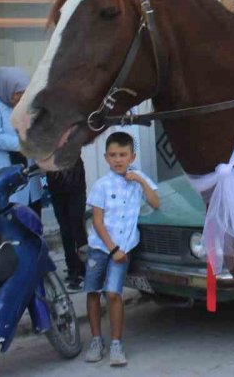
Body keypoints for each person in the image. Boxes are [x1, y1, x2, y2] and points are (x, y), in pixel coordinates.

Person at [83, 132, 159, 366]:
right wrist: (112, 248)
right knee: (93, 291)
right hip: (101, 247)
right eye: (113, 155)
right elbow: (97, 222)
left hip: (124, 248)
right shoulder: (101, 185)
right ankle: (96, 341)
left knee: (113, 293)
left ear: (132, 157)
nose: (118, 160)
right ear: (106, 158)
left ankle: (116, 344)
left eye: (123, 155)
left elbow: (155, 203)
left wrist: (141, 181)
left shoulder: (138, 180)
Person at [0, 68, 43, 217]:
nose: (21, 97)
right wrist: (26, 144)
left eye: (25, 92)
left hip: (26, 171)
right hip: (2, 172)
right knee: (6, 220)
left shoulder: (25, 104)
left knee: (32, 218)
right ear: (6, 88)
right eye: (18, 93)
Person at [46, 155, 88, 291]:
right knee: (65, 229)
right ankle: (72, 268)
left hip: (74, 178)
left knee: (77, 227)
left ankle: (83, 270)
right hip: (55, 182)